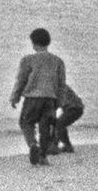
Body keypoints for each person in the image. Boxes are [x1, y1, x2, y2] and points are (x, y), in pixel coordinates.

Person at [10, 28, 66, 166]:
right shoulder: (58, 61)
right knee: (45, 128)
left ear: (33, 43)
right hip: (50, 99)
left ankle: (33, 144)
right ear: (48, 42)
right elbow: (61, 84)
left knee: (26, 122)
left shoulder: (28, 60)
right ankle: (43, 157)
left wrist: (15, 96)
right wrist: (60, 102)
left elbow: (21, 80)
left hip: (33, 98)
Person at [53, 81, 84, 154]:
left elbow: (56, 104)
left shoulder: (56, 87)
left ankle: (67, 146)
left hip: (75, 108)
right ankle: (57, 144)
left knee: (59, 124)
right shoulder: (58, 85)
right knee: (58, 124)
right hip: (75, 108)